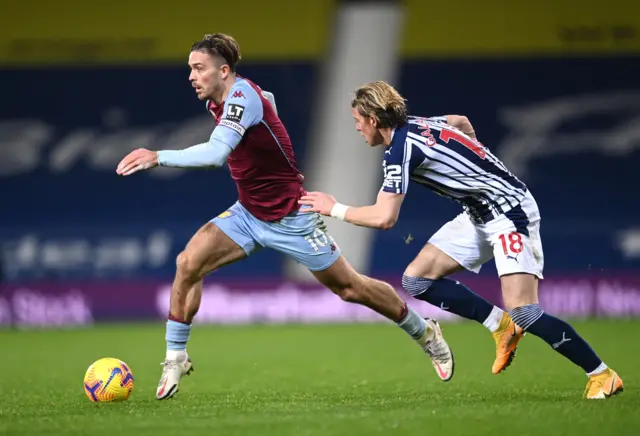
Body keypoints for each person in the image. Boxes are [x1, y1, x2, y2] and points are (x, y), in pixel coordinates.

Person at [116, 35, 454, 400]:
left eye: (199, 68)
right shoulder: (228, 99)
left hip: (291, 217)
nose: (191, 76)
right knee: (188, 263)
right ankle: (176, 357)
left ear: (224, 71)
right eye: (190, 69)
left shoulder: (241, 97)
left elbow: (216, 154)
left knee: (350, 288)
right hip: (248, 213)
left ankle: (425, 332)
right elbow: (269, 106)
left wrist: (157, 156)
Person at [299, 80, 624, 400]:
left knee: (525, 311)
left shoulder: (399, 150)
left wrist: (334, 208)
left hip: (510, 213)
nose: (356, 128)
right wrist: (477, 162)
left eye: (357, 120)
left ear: (372, 119)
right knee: (417, 280)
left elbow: (385, 218)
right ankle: (501, 325)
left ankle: (602, 375)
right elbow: (460, 122)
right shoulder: (421, 124)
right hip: (478, 213)